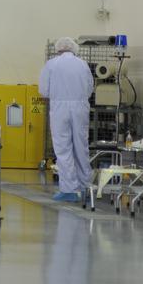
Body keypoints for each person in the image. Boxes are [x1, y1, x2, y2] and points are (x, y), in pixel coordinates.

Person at [39, 37, 94, 202]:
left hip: (60, 108)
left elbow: (44, 90)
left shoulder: (51, 64)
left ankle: (70, 189)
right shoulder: (83, 64)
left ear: (58, 49)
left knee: (63, 149)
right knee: (81, 146)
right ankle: (85, 186)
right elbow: (90, 88)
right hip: (80, 107)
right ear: (74, 48)